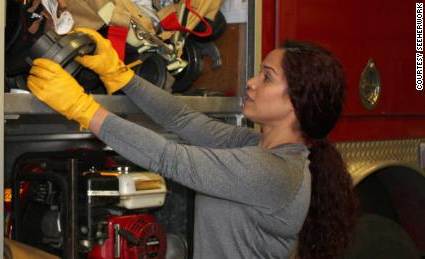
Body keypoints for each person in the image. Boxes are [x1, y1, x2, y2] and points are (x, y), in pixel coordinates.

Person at [27, 28, 358, 258]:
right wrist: (122, 76)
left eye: (267, 77)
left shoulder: (272, 172)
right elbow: (183, 120)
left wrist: (84, 109)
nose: (252, 82)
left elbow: (169, 159)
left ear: (294, 102)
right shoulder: (254, 145)